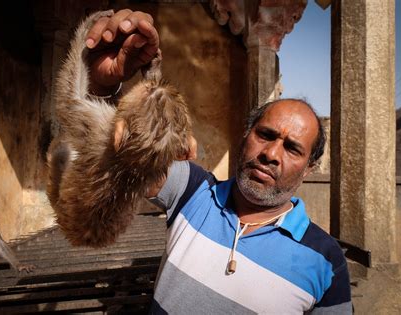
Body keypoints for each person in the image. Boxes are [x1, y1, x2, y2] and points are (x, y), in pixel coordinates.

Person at [84, 9, 352, 314]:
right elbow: (125, 156)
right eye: (265, 135)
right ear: (245, 136)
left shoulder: (327, 262)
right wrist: (104, 87)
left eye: (292, 148)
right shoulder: (193, 190)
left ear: (310, 168)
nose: (271, 154)